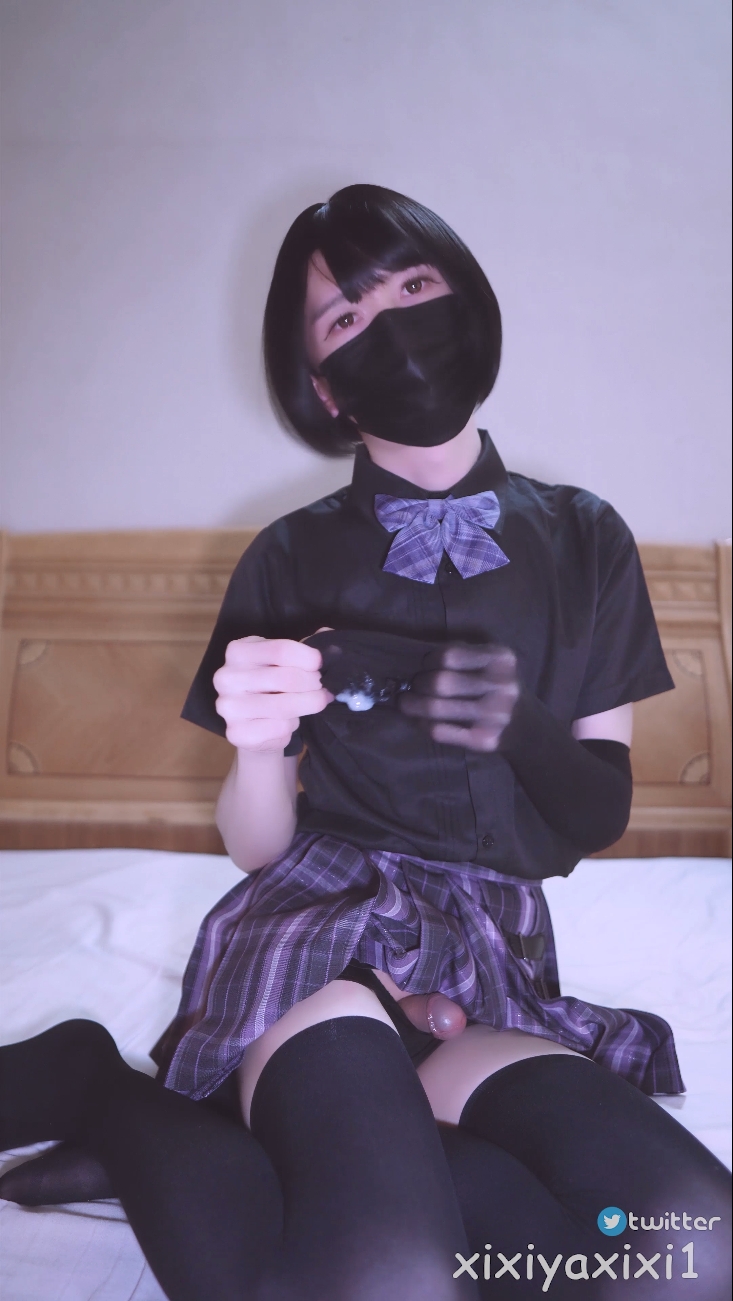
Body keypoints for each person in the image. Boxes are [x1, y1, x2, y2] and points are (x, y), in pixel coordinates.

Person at [1, 185, 729, 1301]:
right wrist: (256, 747)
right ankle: (126, 1095)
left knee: (687, 1249)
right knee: (391, 1276)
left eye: (413, 285)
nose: (390, 322)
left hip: (488, 952)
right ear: (325, 387)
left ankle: (155, 1113)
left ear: (468, 303)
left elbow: (595, 815)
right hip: (323, 929)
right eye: (345, 315)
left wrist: (509, 719)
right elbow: (258, 845)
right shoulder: (288, 555)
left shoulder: (587, 537)